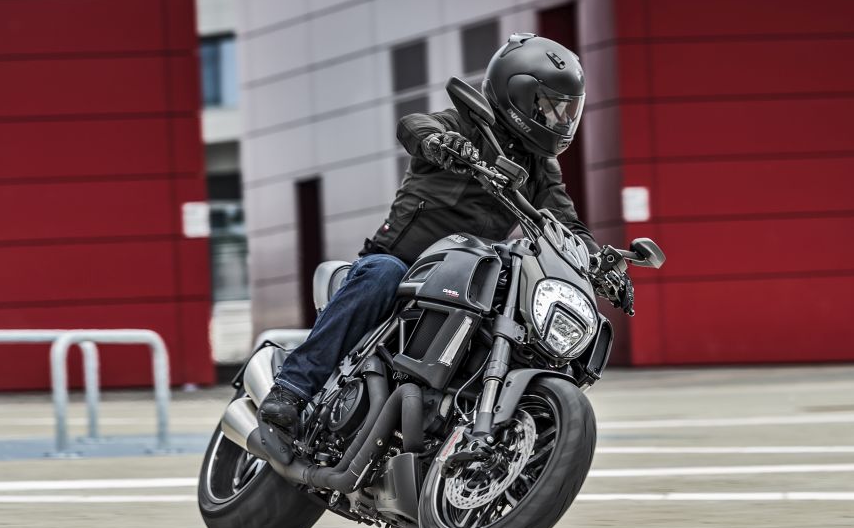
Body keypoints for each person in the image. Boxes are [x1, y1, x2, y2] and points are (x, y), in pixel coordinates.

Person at [258, 33, 616, 433]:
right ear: (518, 95)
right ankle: (292, 388)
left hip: (468, 277)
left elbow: (565, 220)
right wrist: (438, 143)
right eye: (550, 107)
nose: (560, 119)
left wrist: (599, 261)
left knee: (511, 310)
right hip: (406, 264)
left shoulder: (540, 166)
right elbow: (414, 125)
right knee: (381, 275)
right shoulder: (466, 125)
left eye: (567, 110)